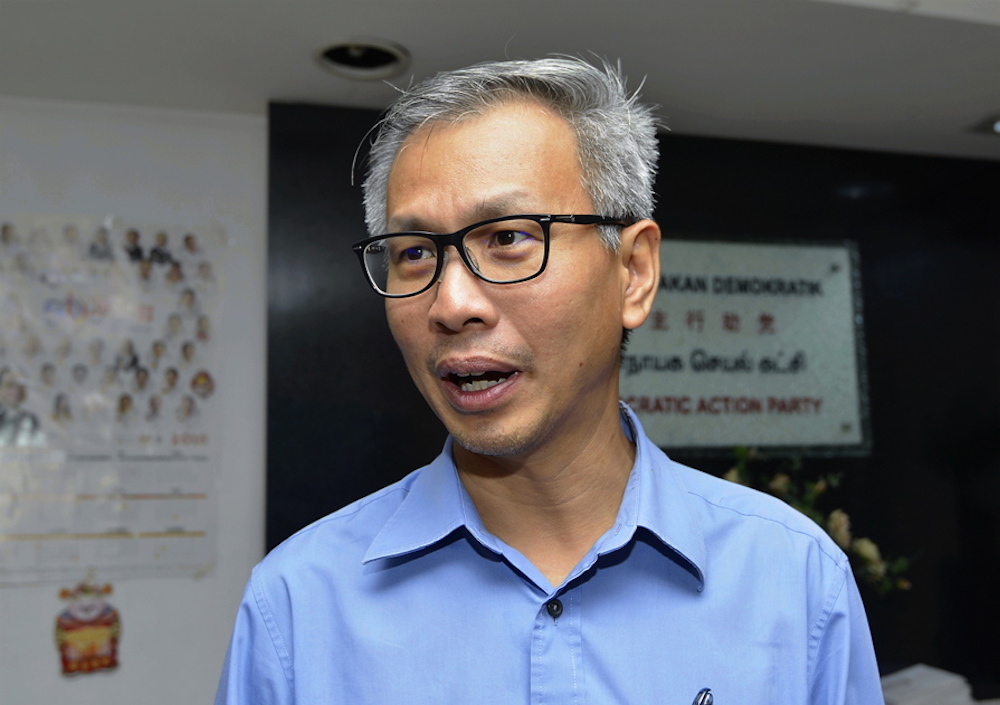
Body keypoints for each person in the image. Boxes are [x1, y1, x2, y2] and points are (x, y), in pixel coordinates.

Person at [215, 58, 884, 704]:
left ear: (634, 272)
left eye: (507, 237)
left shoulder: (793, 581)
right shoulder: (297, 607)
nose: (451, 304)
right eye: (414, 253)